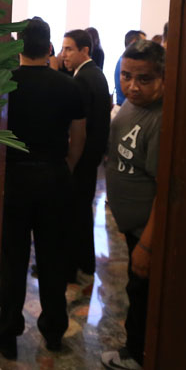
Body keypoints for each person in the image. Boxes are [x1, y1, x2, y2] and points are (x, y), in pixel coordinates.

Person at [0, 18, 86, 359]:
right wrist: (66, 167)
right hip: (54, 178)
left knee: (12, 261)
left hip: (15, 181)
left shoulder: (4, 84)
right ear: (49, 48)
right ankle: (52, 332)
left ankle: (6, 334)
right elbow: (78, 139)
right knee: (53, 258)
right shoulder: (68, 86)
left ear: (19, 46)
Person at [101, 40, 166, 370]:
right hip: (130, 226)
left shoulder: (160, 118)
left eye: (143, 79)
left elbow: (164, 190)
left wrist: (148, 245)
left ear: (162, 79)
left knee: (143, 294)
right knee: (135, 289)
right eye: (126, 76)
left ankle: (137, 356)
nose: (132, 86)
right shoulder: (130, 104)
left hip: (145, 230)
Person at [60, 29, 112, 283]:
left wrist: (72, 158)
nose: (63, 55)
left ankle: (70, 268)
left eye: (69, 49)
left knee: (74, 214)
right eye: (63, 48)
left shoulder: (83, 79)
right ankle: (86, 264)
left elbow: (79, 125)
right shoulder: (95, 74)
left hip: (82, 158)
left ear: (85, 51)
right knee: (82, 213)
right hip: (92, 158)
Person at [113, 30, 146, 106]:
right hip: (125, 105)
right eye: (143, 43)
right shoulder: (126, 63)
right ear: (133, 43)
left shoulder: (124, 60)